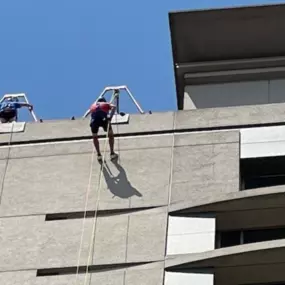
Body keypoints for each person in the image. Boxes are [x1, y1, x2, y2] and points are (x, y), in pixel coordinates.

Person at [89, 97, 118, 162]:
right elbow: (114, 107)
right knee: (110, 135)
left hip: (94, 121)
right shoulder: (105, 103)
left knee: (95, 137)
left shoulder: (93, 105)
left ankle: (99, 155)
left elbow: (91, 113)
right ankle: (112, 153)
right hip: (104, 119)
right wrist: (110, 116)